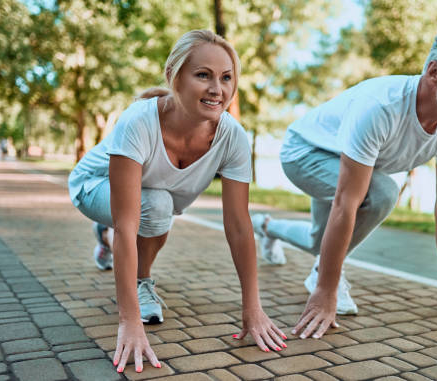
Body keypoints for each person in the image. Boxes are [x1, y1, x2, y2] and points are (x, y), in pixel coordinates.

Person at [251, 26, 437, 339]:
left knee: (319, 241)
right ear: (434, 71)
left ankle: (267, 226)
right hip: (305, 152)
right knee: (380, 195)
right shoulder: (381, 107)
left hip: (343, 162)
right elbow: (346, 202)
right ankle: (321, 277)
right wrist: (326, 289)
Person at [68, 30, 286, 373]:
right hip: (93, 186)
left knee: (155, 206)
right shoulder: (138, 121)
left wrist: (252, 309)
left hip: (144, 198)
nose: (218, 89)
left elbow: (240, 226)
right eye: (203, 75)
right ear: (173, 75)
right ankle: (141, 281)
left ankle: (104, 238)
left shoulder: (232, 137)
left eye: (226, 77)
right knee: (153, 207)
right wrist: (130, 321)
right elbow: (128, 226)